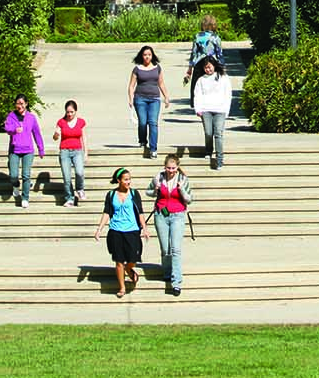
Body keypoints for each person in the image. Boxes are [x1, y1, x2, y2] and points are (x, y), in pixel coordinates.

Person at [94, 167, 144, 298]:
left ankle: (129, 268)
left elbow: (140, 212)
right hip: (116, 230)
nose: (128, 182)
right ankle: (122, 287)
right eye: (126, 180)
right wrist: (99, 229)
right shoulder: (111, 195)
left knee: (133, 258)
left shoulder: (134, 194)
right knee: (119, 260)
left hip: (132, 230)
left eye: (129, 179)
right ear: (119, 180)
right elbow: (107, 212)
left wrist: (145, 228)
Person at [149, 153, 191, 296]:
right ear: (164, 167)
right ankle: (167, 272)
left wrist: (181, 189)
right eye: (168, 168)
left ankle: (176, 282)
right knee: (165, 248)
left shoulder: (183, 180)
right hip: (162, 213)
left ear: (178, 167)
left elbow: (190, 199)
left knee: (176, 249)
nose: (171, 170)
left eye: (173, 168)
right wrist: (155, 190)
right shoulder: (158, 178)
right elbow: (148, 192)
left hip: (178, 215)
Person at [2, 96, 45, 209]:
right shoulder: (11, 116)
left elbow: (37, 133)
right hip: (14, 150)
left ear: (26, 104)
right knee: (13, 175)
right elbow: (7, 128)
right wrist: (14, 130)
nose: (19, 106)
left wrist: (41, 149)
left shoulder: (31, 117)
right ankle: (16, 185)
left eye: (21, 103)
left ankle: (25, 198)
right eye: (17, 103)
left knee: (26, 175)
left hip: (28, 151)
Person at [191, 55, 232, 170]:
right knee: (209, 132)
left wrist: (226, 110)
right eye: (206, 68)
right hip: (206, 110)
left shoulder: (223, 77)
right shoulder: (201, 80)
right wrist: (198, 109)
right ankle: (208, 150)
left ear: (214, 66)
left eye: (209, 67)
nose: (208, 70)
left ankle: (219, 160)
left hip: (220, 110)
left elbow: (228, 94)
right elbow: (197, 94)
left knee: (218, 133)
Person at [126, 46, 164, 159]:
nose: (147, 57)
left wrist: (166, 97)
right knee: (142, 122)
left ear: (152, 56)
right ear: (141, 56)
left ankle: (153, 149)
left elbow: (161, 83)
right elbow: (131, 85)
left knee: (153, 122)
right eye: (145, 55)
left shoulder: (157, 68)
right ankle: (143, 140)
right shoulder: (137, 69)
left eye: (149, 54)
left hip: (155, 99)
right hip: (140, 98)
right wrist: (130, 98)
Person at [55, 100, 87, 208]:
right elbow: (55, 137)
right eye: (68, 112)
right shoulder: (61, 122)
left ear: (75, 111)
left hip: (77, 150)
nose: (69, 114)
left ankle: (80, 189)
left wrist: (86, 152)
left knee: (79, 172)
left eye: (72, 112)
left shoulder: (81, 122)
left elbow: (84, 137)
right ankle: (69, 198)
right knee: (67, 177)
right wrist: (56, 134)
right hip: (65, 151)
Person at [183, 14, 223, 98]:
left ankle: (197, 105)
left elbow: (194, 53)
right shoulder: (216, 37)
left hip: (199, 64)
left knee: (197, 87)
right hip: (212, 64)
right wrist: (222, 68)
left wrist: (190, 69)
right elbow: (219, 54)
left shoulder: (198, 37)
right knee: (212, 87)